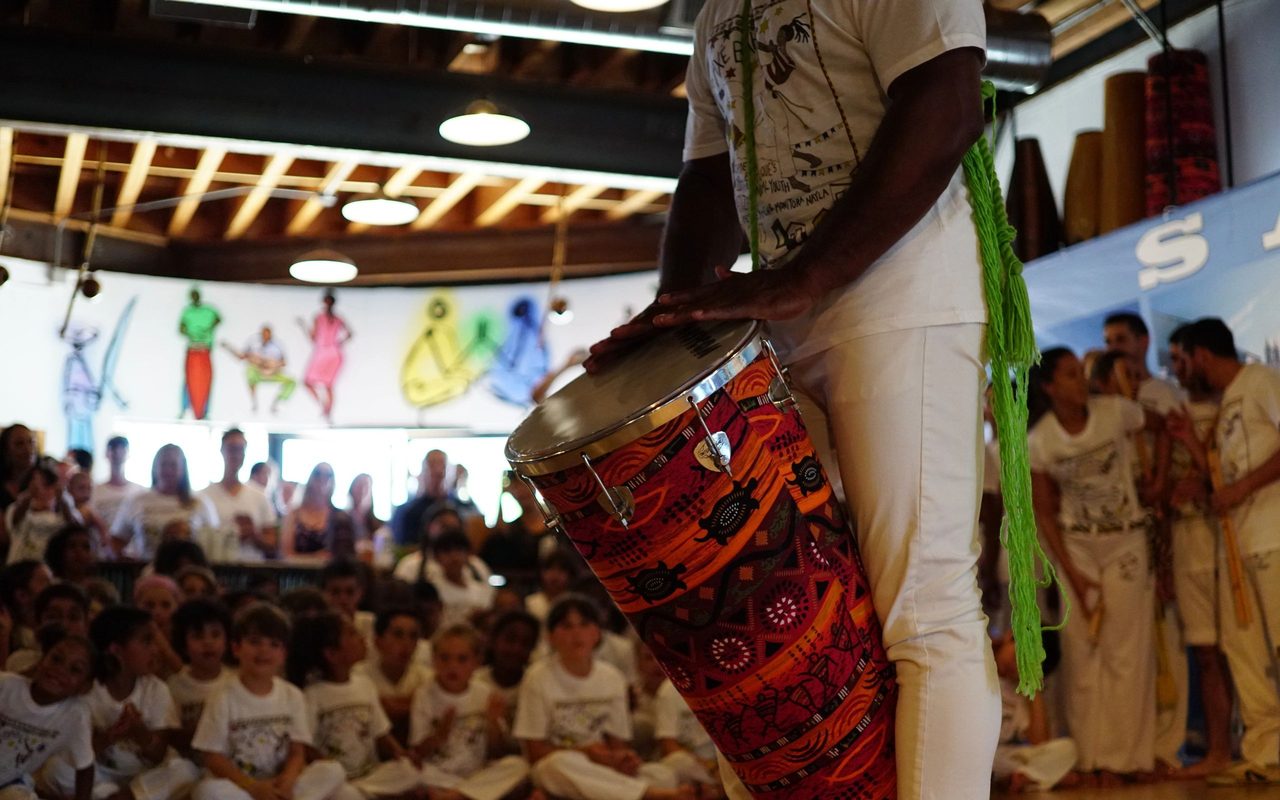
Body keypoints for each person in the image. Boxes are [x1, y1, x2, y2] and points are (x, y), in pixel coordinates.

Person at [584, 0, 1004, 794]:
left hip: (900, 296)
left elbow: (947, 105)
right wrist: (678, 319)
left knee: (923, 604)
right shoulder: (718, 14)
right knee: (770, 608)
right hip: (776, 319)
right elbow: (710, 177)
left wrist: (804, 276)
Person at [1028, 348, 1163, 784]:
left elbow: (1163, 427)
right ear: (1049, 387)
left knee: (1127, 648)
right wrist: (1070, 571)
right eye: (1069, 375)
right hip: (1076, 549)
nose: (1080, 381)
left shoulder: (1117, 412)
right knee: (1082, 652)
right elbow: (1044, 512)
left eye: (1080, 373)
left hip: (1125, 539)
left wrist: (1156, 483)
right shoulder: (1041, 441)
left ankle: (1126, 760)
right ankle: (1088, 759)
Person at [1170, 318, 1280, 785]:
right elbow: (1224, 474)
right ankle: (1266, 752)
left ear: (1203, 355)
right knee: (1243, 650)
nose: (1182, 368)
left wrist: (1239, 490)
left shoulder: (1260, 381)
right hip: (1238, 544)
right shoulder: (1225, 404)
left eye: (1185, 358)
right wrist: (1196, 454)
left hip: (1273, 534)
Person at [515, 595, 687, 800]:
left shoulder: (611, 677)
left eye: (584, 624)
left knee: (664, 774)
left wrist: (622, 759)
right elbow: (534, 753)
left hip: (601, 768)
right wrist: (585, 752)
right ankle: (648, 795)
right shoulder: (537, 677)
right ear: (550, 636)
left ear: (597, 633)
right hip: (562, 766)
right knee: (555, 766)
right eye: (566, 626)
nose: (576, 633)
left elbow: (618, 743)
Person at [1165, 324, 1234, 779]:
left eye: (1183, 359)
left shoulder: (1236, 401)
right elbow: (1156, 486)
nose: (1179, 369)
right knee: (1207, 652)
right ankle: (1219, 751)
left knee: (1246, 649)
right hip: (1190, 543)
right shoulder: (1170, 412)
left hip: (1233, 538)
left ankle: (1260, 740)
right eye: (1175, 361)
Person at [191, 603, 347, 800]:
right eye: (255, 642)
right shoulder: (222, 696)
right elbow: (212, 757)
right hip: (241, 786)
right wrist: (252, 787)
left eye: (274, 644)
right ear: (236, 648)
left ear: (284, 654)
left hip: (279, 784)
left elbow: (297, 752)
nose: (264, 650)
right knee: (207, 792)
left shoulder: (292, 695)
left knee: (333, 770)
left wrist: (288, 780)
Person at [43, 606, 199, 800]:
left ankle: (123, 797)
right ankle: (110, 795)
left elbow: (158, 754)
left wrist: (139, 732)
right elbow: (79, 754)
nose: (156, 649)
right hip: (100, 774)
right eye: (146, 641)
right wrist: (110, 736)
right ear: (116, 650)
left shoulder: (156, 690)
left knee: (186, 770)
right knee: (56, 769)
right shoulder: (88, 690)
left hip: (145, 777)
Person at [288, 611, 422, 800]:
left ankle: (365, 792)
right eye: (352, 634)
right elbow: (306, 747)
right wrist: (327, 765)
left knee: (409, 772)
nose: (361, 638)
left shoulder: (365, 684)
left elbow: (380, 733)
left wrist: (400, 753)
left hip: (369, 776)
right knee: (338, 785)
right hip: (338, 780)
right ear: (332, 654)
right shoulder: (313, 694)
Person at [410, 625, 531, 800]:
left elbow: (496, 751)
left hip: (476, 775)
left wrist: (493, 722)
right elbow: (417, 752)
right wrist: (438, 736)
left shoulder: (485, 694)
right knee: (406, 771)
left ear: (477, 662)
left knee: (518, 765)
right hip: (436, 775)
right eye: (445, 658)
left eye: (462, 659)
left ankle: (456, 796)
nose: (452, 666)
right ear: (434, 660)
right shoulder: (424, 694)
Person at [0, 631, 96, 800]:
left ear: (85, 687)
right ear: (41, 661)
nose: (59, 670)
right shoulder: (6, 686)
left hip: (10, 782)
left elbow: (85, 766)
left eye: (75, 670)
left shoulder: (75, 715)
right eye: (56, 659)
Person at [990, 632, 1078, 793]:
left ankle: (1022, 777)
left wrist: (1034, 686)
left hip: (997, 756)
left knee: (1067, 749)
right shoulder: (976, 656)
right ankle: (1037, 777)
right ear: (1011, 635)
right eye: (1019, 655)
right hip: (967, 746)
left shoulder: (1019, 695)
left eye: (1025, 666)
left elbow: (1039, 741)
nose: (1016, 665)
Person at [112, 445, 218, 561]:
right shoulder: (136, 501)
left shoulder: (200, 502)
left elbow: (215, 542)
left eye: (173, 465)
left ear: (183, 468)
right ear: (155, 467)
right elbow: (116, 541)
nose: (168, 470)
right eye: (163, 464)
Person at [355, 607, 431, 746]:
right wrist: (411, 702)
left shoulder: (427, 677)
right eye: (398, 634)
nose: (406, 643)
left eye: (413, 636)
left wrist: (381, 704)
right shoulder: (358, 675)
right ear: (378, 641)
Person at [200, 429, 278, 562]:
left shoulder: (259, 496)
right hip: (215, 567)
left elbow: (273, 543)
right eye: (231, 448)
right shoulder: (204, 497)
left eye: (240, 449)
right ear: (222, 450)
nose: (235, 455)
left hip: (251, 570)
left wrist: (254, 535)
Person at [168, 598, 233, 756]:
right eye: (198, 636)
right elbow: (172, 736)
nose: (208, 642)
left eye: (215, 634)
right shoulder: (174, 686)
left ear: (227, 642)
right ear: (183, 645)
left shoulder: (236, 681)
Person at [474, 610, 540, 757]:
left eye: (525, 643)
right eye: (510, 640)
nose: (516, 649)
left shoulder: (537, 684)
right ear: (493, 640)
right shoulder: (475, 681)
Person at [389, 452, 474, 547]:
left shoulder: (463, 508)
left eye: (443, 465)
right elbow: (402, 548)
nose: (438, 470)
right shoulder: (407, 511)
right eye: (432, 465)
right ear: (423, 473)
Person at [4, 583, 91, 674]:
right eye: (53, 617)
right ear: (38, 624)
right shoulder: (20, 660)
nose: (64, 625)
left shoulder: (92, 668)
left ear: (86, 625)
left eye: (73, 617)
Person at [3, 461, 78, 564]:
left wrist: (62, 501)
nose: (42, 490)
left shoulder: (65, 510)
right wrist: (29, 496)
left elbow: (75, 529)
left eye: (47, 484)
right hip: (20, 569)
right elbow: (14, 521)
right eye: (36, 483)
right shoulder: (16, 507)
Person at [298, 290, 353, 423]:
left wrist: (303, 326)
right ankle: (326, 411)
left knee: (312, 383)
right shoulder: (336, 318)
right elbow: (349, 334)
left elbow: (313, 338)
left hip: (323, 353)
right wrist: (338, 344)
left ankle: (324, 409)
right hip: (333, 352)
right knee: (327, 385)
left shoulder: (320, 318)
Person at [281, 464, 355, 561]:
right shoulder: (294, 515)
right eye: (318, 474)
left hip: (330, 574)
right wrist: (315, 557)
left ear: (333, 482)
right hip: (298, 573)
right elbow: (286, 555)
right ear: (311, 478)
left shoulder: (341, 517)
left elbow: (345, 555)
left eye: (328, 475)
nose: (322, 479)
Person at [429, 531, 494, 629]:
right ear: (436, 557)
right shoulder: (433, 590)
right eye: (447, 551)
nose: (454, 557)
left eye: (459, 550)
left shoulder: (480, 588)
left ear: (468, 555)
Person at [226, 325, 296, 414]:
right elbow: (241, 356)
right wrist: (229, 348)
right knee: (250, 372)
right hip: (257, 372)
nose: (265, 336)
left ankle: (279, 403)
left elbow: (284, 362)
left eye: (268, 334)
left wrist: (273, 367)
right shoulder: (253, 343)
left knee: (292, 381)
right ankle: (253, 402)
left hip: (273, 372)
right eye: (263, 334)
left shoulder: (278, 345)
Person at [179, 288, 221, 421]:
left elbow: (218, 319)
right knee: (189, 381)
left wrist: (208, 330)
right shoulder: (187, 311)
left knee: (206, 382)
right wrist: (191, 334)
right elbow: (181, 328)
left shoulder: (208, 310)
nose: (194, 298)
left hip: (205, 351)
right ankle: (185, 409)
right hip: (192, 350)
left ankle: (204, 412)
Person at [93, 436, 143, 530]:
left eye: (122, 449)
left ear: (127, 453)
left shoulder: (140, 491)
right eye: (114, 448)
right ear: (107, 453)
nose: (118, 453)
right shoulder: (94, 491)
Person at [44, 524, 99, 589]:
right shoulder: (49, 586)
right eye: (72, 546)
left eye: (86, 547)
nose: (79, 552)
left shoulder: (99, 590)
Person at [0, 424, 37, 514]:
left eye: (31, 442)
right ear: (6, 450)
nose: (28, 449)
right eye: (19, 444)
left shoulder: (44, 481)